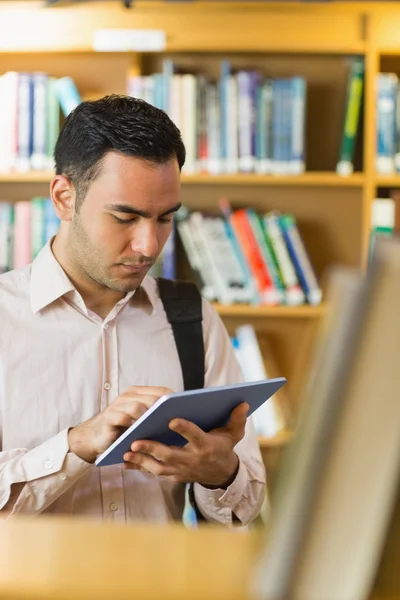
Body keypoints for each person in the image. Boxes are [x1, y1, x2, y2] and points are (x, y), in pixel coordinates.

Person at [0, 95, 266, 525]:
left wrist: (221, 474)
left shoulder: (192, 319)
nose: (148, 246)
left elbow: (246, 507)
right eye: (125, 217)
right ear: (64, 197)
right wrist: (75, 447)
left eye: (164, 219)